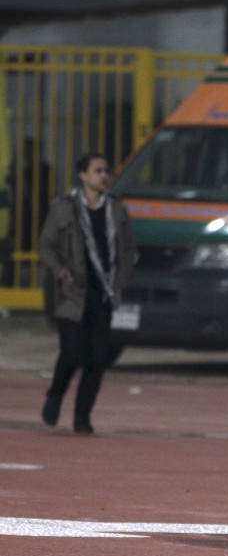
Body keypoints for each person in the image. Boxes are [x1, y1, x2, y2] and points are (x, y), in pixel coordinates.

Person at [38, 152, 135, 434]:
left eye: (106, 170)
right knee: (71, 353)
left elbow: (128, 248)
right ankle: (55, 394)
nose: (104, 176)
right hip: (73, 294)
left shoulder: (116, 209)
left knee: (97, 359)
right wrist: (60, 271)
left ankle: (82, 416)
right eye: (97, 171)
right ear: (83, 176)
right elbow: (47, 246)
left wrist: (122, 279)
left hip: (103, 294)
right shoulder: (63, 209)